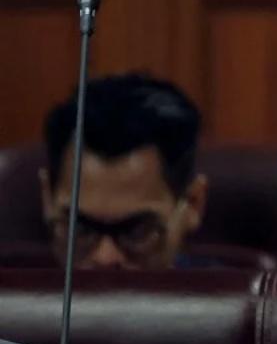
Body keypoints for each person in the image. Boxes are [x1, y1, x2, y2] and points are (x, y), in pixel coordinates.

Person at [40, 73, 208, 270]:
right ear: (47, 198)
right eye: (79, 229)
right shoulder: (16, 286)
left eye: (138, 233)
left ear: (193, 203)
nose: (105, 258)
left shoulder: (230, 289)